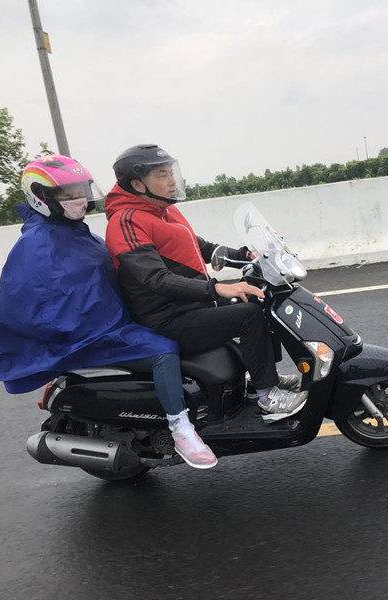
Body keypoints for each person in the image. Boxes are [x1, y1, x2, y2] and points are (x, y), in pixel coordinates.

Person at [0, 154, 217, 469]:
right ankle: (181, 429)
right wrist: (89, 327)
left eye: (80, 190)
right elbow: (32, 301)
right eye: (67, 194)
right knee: (162, 348)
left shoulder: (72, 232)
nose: (79, 200)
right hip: (88, 336)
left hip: (111, 325)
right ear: (41, 196)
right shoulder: (38, 243)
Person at [103, 144, 307, 419]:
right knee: (247, 315)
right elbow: (155, 280)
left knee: (257, 297)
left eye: (170, 172)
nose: (172, 180)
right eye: (162, 175)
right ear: (138, 184)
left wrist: (245, 254)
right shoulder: (125, 222)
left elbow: (203, 248)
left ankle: (262, 377)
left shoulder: (165, 211)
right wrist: (217, 288)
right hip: (166, 320)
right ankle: (267, 396)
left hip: (193, 304)